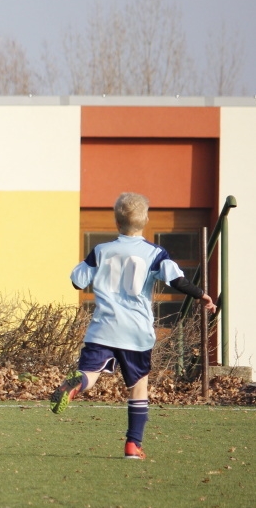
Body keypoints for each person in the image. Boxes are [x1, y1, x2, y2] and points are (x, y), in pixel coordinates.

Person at [49, 192, 214, 460]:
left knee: (89, 373)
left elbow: (77, 281)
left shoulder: (101, 251)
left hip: (103, 328)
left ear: (116, 222)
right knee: (138, 386)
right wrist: (201, 295)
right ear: (146, 220)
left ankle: (76, 384)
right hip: (136, 332)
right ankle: (133, 445)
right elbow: (177, 281)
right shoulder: (155, 253)